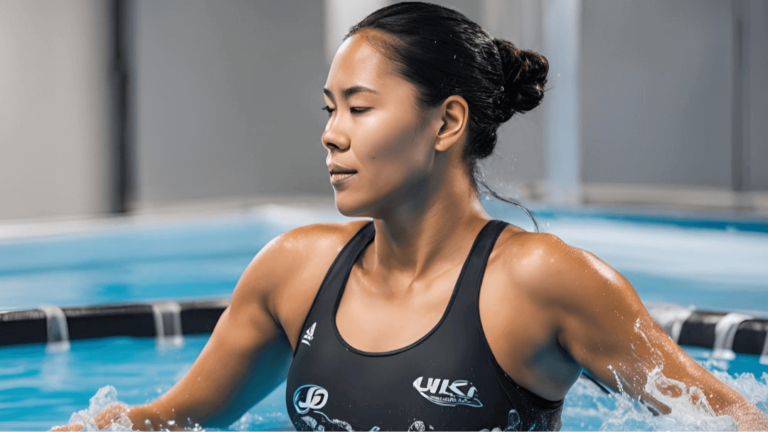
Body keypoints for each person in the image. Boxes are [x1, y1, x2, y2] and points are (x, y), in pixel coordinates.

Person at [57, 2, 767, 431]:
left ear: (446, 122)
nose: (332, 133)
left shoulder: (542, 282)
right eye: (329, 108)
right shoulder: (293, 272)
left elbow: (729, 415)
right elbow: (178, 418)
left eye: (360, 107)